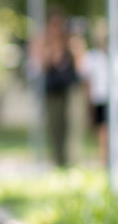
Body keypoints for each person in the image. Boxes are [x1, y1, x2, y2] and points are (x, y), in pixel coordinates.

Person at [78, 19, 118, 165]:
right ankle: (106, 163)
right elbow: (85, 78)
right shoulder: (92, 57)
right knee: (104, 135)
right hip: (101, 99)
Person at [29, 9, 80, 166]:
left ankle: (71, 158)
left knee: (72, 123)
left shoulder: (71, 42)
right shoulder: (44, 43)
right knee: (55, 125)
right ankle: (58, 159)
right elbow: (39, 65)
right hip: (52, 90)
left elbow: (80, 66)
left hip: (69, 88)